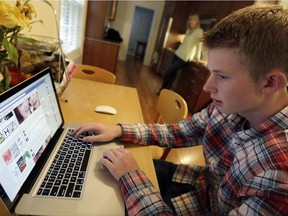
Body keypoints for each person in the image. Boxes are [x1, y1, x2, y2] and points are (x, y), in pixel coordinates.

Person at [73, 4, 288, 215]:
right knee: (95, 173)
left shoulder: (278, 174)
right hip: (195, 184)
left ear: (270, 83)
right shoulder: (232, 107)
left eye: (222, 76)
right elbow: (180, 132)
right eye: (211, 72)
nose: (207, 87)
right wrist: (119, 130)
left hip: (201, 207)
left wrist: (131, 177)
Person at [158, 14, 203, 94]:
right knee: (171, 74)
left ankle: (163, 91)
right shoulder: (188, 30)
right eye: (190, 19)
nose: (191, 21)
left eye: (194, 19)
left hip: (185, 58)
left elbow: (199, 46)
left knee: (167, 72)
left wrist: (197, 58)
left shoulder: (199, 31)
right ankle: (164, 92)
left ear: (197, 21)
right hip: (178, 53)